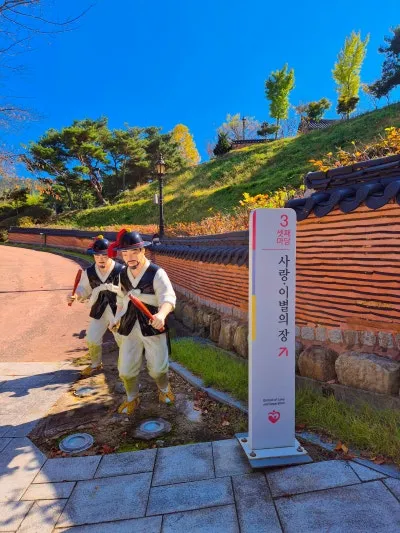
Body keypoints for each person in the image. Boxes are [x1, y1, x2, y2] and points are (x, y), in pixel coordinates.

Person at [108, 229, 176, 415]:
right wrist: (116, 318)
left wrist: (161, 315)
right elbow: (120, 301)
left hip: (152, 326)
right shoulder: (122, 275)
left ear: (142, 251)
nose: (129, 258)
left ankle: (164, 389)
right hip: (129, 326)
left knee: (158, 369)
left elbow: (168, 298)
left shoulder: (156, 273)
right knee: (126, 370)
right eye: (125, 253)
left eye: (133, 252)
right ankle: (132, 397)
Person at [67, 235, 124, 377]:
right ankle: (95, 364)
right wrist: (76, 295)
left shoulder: (121, 271)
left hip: (117, 310)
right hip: (99, 309)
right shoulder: (90, 272)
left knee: (123, 340)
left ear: (111, 254)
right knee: (92, 339)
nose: (101, 259)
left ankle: (126, 367)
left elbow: (128, 291)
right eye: (97, 255)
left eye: (104, 255)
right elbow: (83, 288)